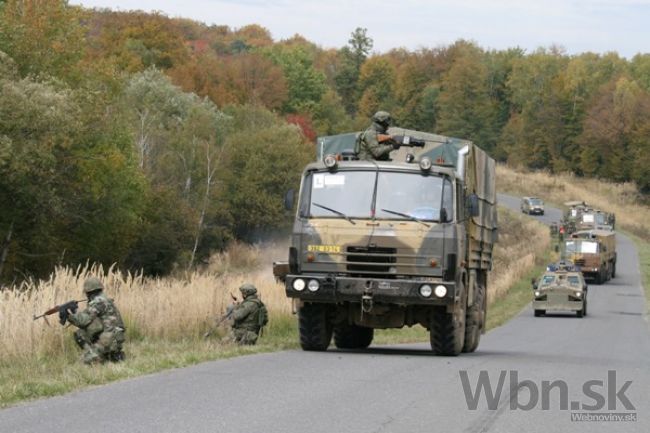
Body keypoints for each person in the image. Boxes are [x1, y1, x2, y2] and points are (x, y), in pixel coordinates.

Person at [62, 277, 126, 364]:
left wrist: (68, 315)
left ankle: (98, 356)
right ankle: (113, 355)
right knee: (84, 331)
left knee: (84, 361)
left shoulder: (97, 302)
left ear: (88, 292)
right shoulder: (106, 300)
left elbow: (83, 321)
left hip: (109, 339)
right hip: (117, 337)